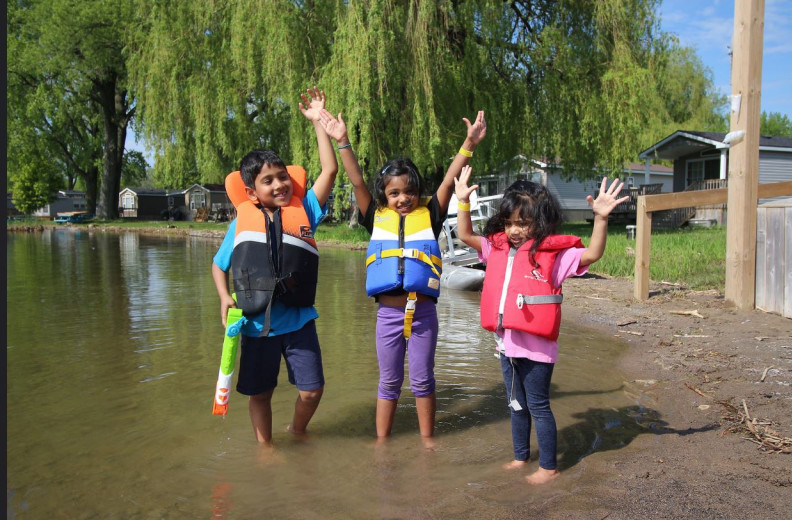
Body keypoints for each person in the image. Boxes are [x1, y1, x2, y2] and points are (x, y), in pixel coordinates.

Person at [318, 107, 487, 443]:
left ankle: (427, 442)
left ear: (418, 191)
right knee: (389, 381)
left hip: (423, 313)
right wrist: (343, 141)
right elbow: (355, 179)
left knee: (423, 380)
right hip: (388, 314)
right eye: (394, 193)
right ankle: (383, 444)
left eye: (409, 191)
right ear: (384, 195)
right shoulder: (373, 215)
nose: (403, 199)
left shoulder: (431, 212)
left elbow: (450, 181)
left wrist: (468, 143)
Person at [453, 167, 629, 484]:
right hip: (507, 345)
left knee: (538, 406)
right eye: (508, 223)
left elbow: (592, 254)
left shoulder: (555, 256)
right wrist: (463, 202)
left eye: (523, 223)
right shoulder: (497, 247)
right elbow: (465, 235)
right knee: (515, 404)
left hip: (537, 351)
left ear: (541, 221)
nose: (514, 230)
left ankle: (548, 467)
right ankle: (521, 457)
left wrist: (601, 218)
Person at [211, 86, 338, 446]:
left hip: (299, 321)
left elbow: (329, 170)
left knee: (312, 391)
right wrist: (223, 297)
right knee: (260, 394)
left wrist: (318, 123)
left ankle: (297, 431)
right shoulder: (241, 223)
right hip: (255, 326)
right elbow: (219, 265)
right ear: (251, 192)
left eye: (282, 176)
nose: (280, 184)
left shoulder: (306, 210)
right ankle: (265, 450)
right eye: (268, 181)